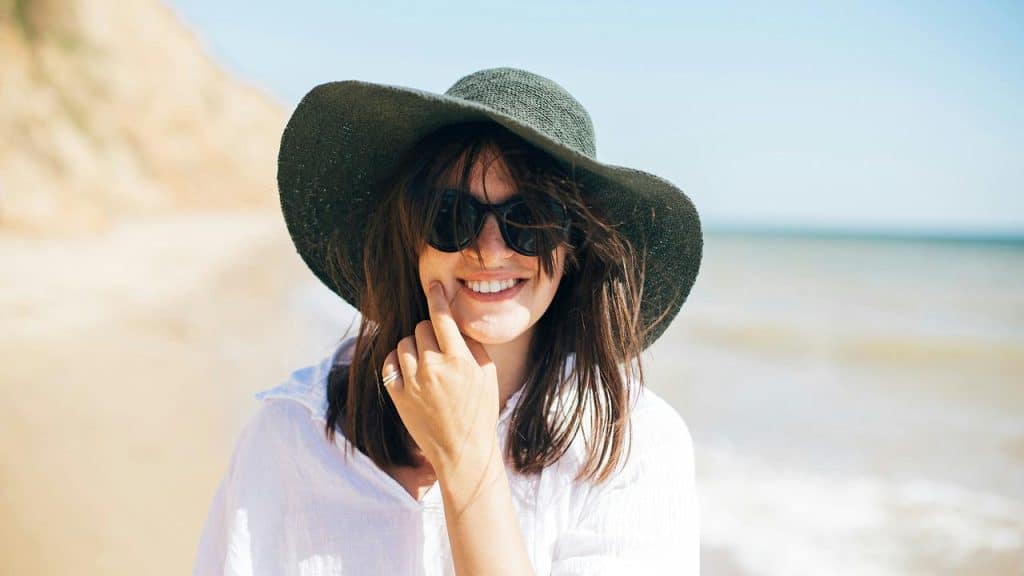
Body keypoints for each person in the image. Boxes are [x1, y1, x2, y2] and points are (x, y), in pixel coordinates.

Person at [193, 67, 703, 575]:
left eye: (530, 220)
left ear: (574, 249)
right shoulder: (291, 435)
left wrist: (464, 458)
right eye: (450, 215)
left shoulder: (632, 444)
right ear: (408, 236)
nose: (489, 249)